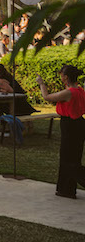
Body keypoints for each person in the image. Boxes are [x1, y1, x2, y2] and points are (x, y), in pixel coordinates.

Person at [37, 65, 85, 198]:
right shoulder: (80, 90)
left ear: (66, 77)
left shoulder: (69, 92)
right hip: (79, 124)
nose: (61, 77)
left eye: (62, 75)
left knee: (68, 159)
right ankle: (66, 189)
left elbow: (47, 97)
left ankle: (67, 188)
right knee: (73, 157)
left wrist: (41, 83)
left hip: (70, 125)